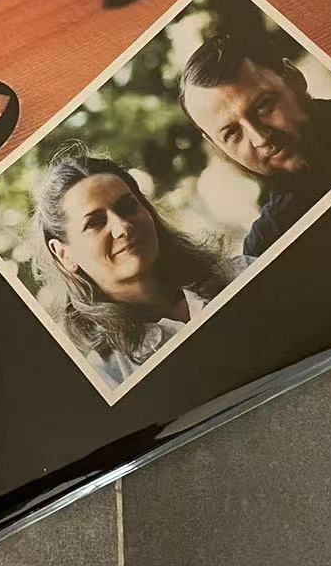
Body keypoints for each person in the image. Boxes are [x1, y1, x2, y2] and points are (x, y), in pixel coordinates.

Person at [32, 148, 238, 388]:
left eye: (128, 206)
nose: (122, 227)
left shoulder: (237, 274)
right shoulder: (104, 376)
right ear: (64, 254)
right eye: (95, 222)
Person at [180, 31, 331, 259]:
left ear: (294, 78)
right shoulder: (268, 246)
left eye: (263, 105)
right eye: (232, 132)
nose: (260, 138)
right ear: (216, 146)